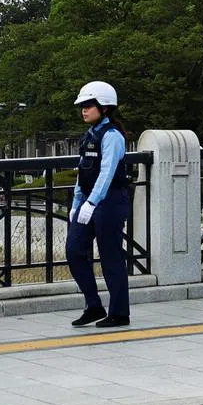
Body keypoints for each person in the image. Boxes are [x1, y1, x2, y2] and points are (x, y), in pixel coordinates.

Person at [67, 81, 131, 328]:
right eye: (82, 106)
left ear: (104, 108)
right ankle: (93, 305)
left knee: (110, 256)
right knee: (74, 250)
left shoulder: (112, 136)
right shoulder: (89, 136)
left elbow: (107, 173)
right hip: (88, 201)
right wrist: (77, 203)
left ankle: (119, 312)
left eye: (89, 105)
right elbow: (82, 172)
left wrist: (92, 202)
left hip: (110, 202)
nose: (84, 110)